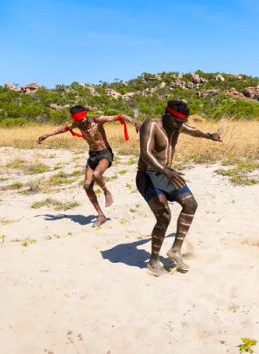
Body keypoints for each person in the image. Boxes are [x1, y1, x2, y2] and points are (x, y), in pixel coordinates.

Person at [136, 100, 222, 276]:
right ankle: (153, 261)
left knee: (191, 204)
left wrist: (208, 135)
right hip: (148, 176)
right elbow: (146, 153)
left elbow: (192, 130)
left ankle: (175, 249)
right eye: (177, 122)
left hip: (167, 174)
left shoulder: (177, 125)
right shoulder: (151, 125)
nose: (180, 126)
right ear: (167, 116)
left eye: (182, 122)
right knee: (164, 217)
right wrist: (165, 171)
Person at [37, 105, 139, 227]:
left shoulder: (97, 120)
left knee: (96, 175)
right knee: (86, 186)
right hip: (93, 156)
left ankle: (106, 191)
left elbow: (120, 116)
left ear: (85, 115)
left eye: (81, 120)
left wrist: (135, 123)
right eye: (77, 121)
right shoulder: (77, 124)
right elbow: (62, 128)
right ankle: (101, 215)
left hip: (105, 153)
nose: (80, 123)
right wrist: (46, 135)